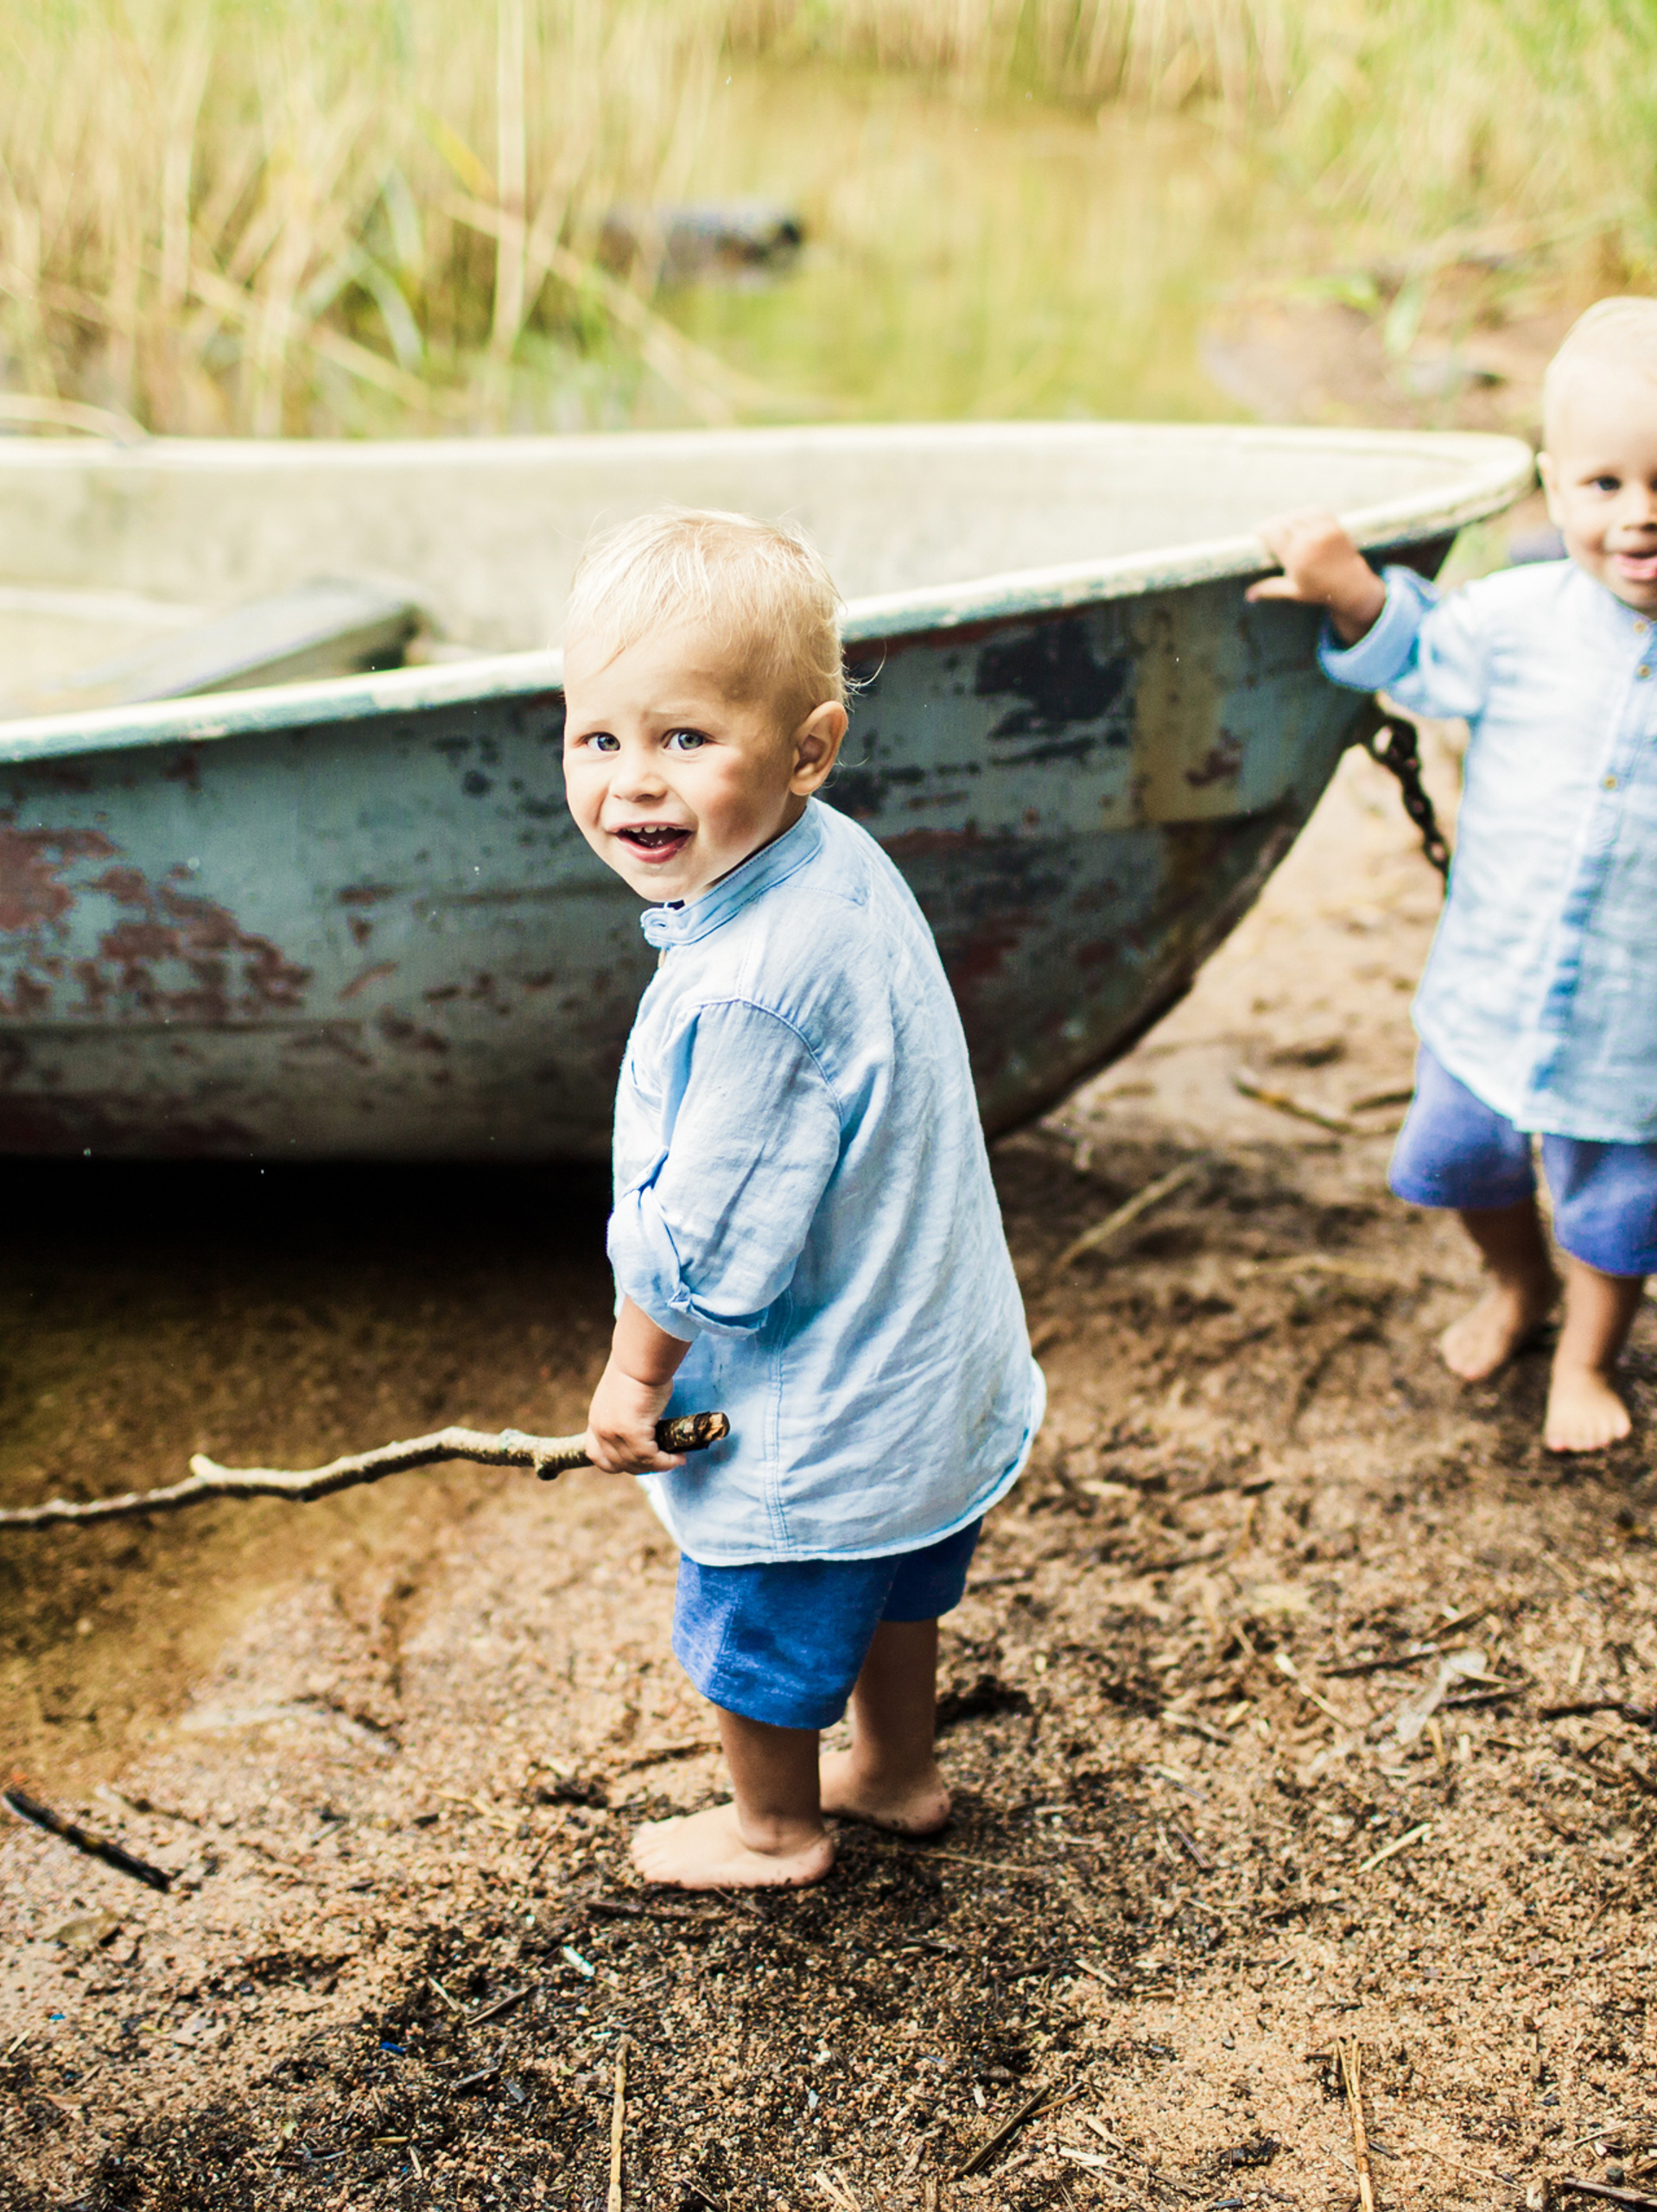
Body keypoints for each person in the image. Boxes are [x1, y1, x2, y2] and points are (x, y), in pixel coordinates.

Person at [1248, 296, 1657, 1452]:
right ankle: (1514, 1284)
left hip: (1652, 1013)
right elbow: (1421, 653)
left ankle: (1588, 1355)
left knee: (1619, 1208)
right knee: (1463, 1156)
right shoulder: (1521, 617)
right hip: (1497, 984)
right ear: (1553, 480)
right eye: (1603, 485)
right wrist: (1344, 583)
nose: (1640, 517)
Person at [562, 507, 1045, 1888]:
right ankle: (898, 1770)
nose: (634, 786)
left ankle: (772, 1826)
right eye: (600, 740)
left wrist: (632, 1379)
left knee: (758, 1617)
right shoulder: (832, 859)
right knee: (895, 1580)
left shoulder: (752, 986)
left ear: (808, 748)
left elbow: (709, 1252)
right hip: (927, 1361)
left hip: (827, 1401)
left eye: (685, 740)